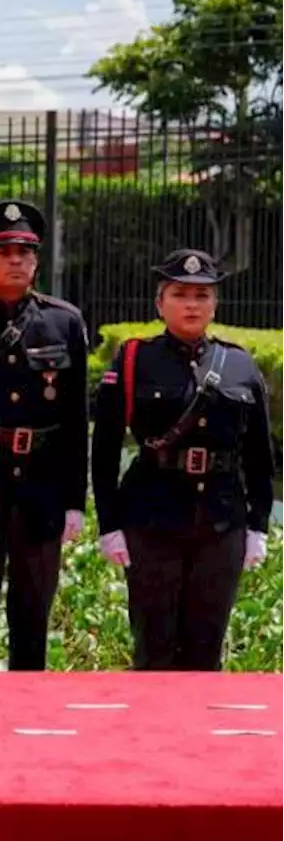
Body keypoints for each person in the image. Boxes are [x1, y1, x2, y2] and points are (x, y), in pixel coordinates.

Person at [92, 248, 273, 671]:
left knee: (205, 650)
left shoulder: (240, 365)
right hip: (152, 519)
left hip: (221, 522)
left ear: (215, 303)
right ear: (160, 303)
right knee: (154, 648)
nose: (191, 304)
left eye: (202, 295)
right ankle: (151, 735)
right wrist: (109, 525)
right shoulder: (135, 359)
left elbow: (259, 457)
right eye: (180, 294)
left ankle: (199, 738)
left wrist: (257, 526)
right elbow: (103, 451)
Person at [0, 199, 89, 671]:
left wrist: (75, 500)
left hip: (42, 483)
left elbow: (77, 420)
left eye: (25, 251)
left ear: (36, 260)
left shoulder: (64, 321)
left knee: (33, 606)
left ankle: (27, 699)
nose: (16, 260)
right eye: (3, 251)